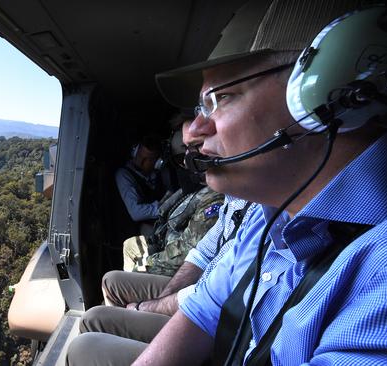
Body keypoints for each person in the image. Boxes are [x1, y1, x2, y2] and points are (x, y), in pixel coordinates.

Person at [132, 1, 387, 365]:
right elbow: (202, 314)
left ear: (336, 91)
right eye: (199, 108)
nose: (193, 132)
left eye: (220, 99)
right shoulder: (270, 214)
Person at [66, 120, 256, 366]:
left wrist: (147, 307)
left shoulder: (245, 209)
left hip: (217, 325)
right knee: (105, 293)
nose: (191, 162)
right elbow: (202, 254)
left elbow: (216, 292)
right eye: (184, 155)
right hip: (203, 301)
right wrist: (160, 300)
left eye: (198, 151)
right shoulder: (236, 202)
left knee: (85, 343)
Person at [121, 123, 224, 274]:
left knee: (116, 281)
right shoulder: (187, 190)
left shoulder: (213, 197)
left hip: (176, 264)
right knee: (130, 245)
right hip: (165, 245)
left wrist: (145, 264)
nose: (185, 162)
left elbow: (187, 253)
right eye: (181, 157)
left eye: (194, 150)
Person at [115, 136, 166, 237]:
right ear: (135, 152)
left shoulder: (155, 174)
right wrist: (162, 207)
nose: (141, 162)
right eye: (140, 156)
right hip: (136, 233)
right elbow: (136, 212)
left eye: (148, 159)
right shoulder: (123, 175)